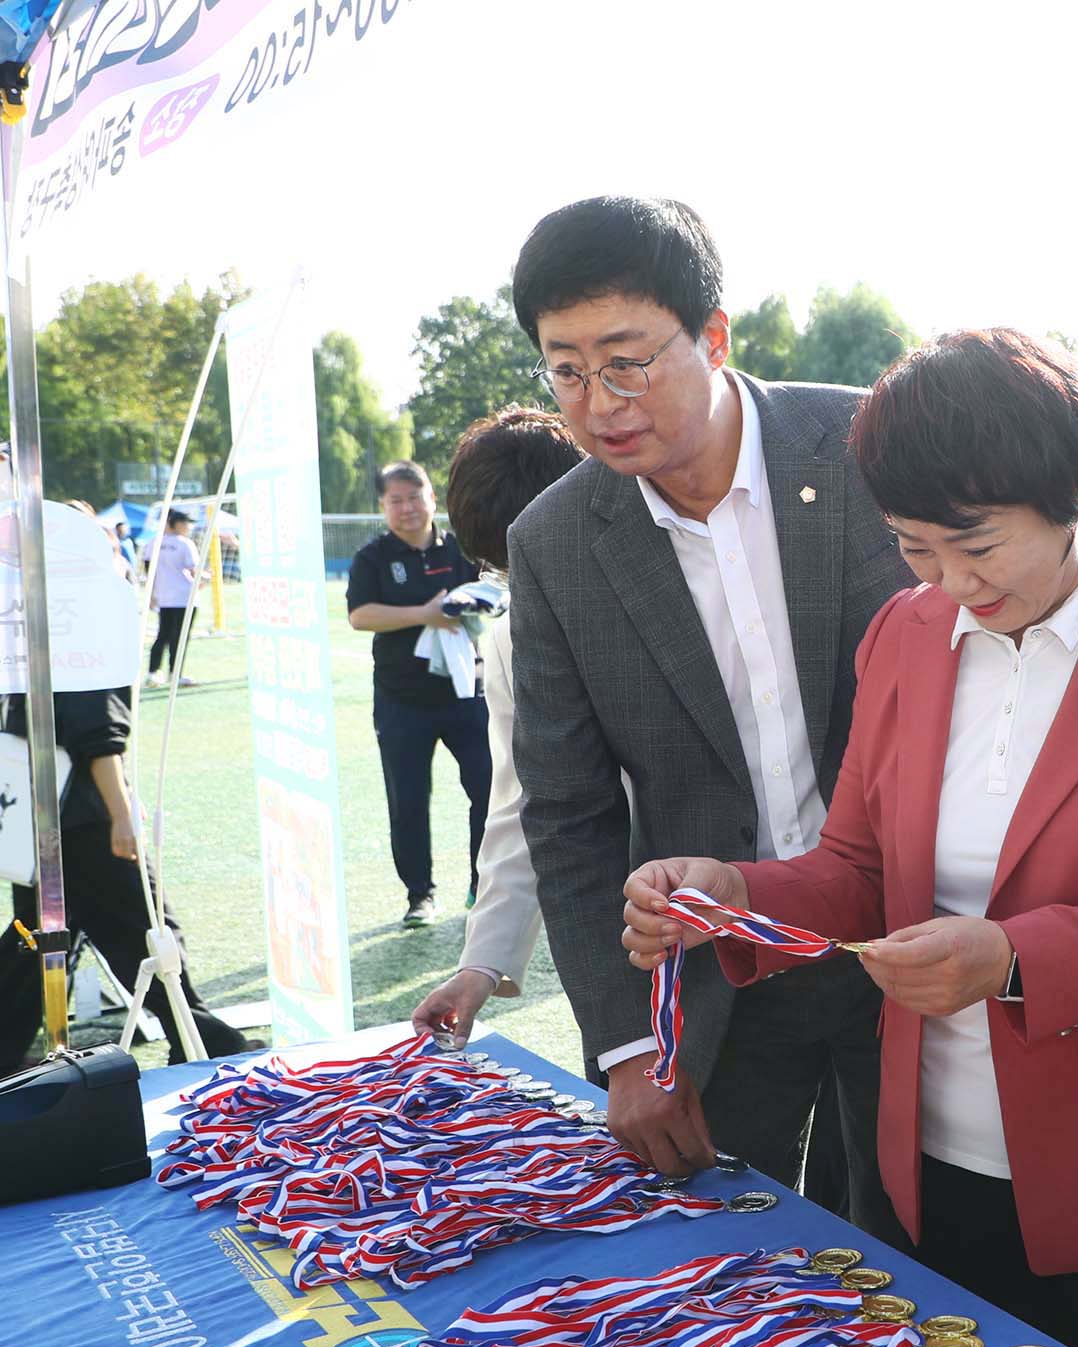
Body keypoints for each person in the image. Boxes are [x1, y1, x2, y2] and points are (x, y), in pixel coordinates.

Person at [619, 328, 1078, 1347]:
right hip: (926, 1163)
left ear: (1067, 490)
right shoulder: (905, 631)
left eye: (975, 546)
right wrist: (737, 894)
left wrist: (1014, 958)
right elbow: (855, 865)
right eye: (915, 547)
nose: (950, 581)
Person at [504, 195, 915, 1224]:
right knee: (732, 1282)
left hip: (913, 952)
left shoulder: (873, 447)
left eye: (628, 359)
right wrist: (630, 1046)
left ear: (715, 336)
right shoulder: (554, 546)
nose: (599, 402)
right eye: (565, 370)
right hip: (718, 986)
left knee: (925, 1266)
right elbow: (568, 813)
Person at [409, 408, 586, 1046]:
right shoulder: (512, 638)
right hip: (620, 941)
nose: (519, 585)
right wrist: (482, 963)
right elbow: (519, 799)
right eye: (501, 570)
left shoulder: (681, 581)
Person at [1, 687, 254, 1067]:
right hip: (81, 814)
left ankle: (201, 1037)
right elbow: (96, 732)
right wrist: (120, 813)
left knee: (37, 936)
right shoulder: (80, 641)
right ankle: (204, 1039)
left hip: (38, 808)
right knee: (146, 930)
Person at [346, 460, 492, 928]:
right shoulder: (373, 557)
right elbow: (361, 615)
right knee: (407, 799)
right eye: (396, 500)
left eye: (415, 496)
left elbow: (497, 588)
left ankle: (481, 885)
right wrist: (425, 613)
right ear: (383, 507)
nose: (407, 508)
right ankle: (419, 895)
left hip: (468, 692)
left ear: (433, 497)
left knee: (490, 790)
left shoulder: (463, 546)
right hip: (401, 699)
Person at [145, 510, 200, 688]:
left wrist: (152, 593)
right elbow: (194, 571)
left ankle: (153, 672)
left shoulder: (153, 543)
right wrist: (206, 577)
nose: (188, 527)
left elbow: (148, 570)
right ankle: (175, 674)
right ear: (174, 523)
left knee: (163, 636)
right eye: (185, 523)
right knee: (179, 637)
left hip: (164, 598)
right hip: (184, 597)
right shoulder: (185, 544)